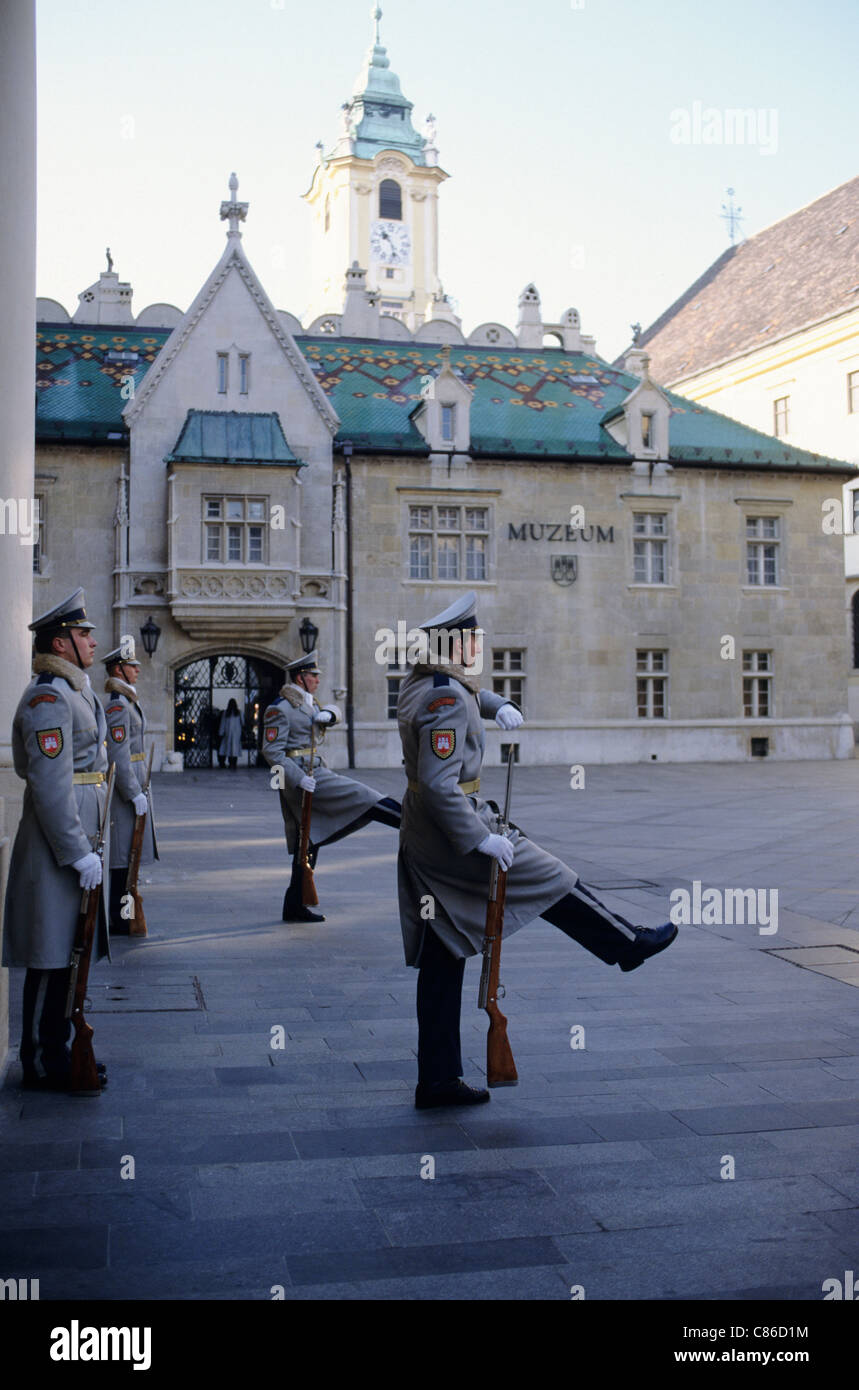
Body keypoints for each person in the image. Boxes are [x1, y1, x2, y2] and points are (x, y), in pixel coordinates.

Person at [397, 591, 678, 1111]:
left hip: (424, 835)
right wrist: (479, 838)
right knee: (551, 875)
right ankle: (625, 944)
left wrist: (496, 702)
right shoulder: (444, 699)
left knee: (442, 955)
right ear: (454, 645)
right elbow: (440, 784)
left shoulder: (424, 683)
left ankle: (437, 1079)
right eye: (473, 639)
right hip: (450, 834)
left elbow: (457, 695)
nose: (479, 646)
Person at [2, 589, 110, 1093]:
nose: (91, 640)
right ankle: (43, 1061)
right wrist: (76, 851)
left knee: (71, 950)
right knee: (50, 954)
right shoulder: (48, 695)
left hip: (79, 834)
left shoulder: (76, 690)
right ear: (60, 643)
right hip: (56, 843)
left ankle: (61, 1048)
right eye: (82, 633)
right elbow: (48, 786)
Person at [262, 651, 401, 923]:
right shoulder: (281, 707)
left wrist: (328, 712)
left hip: (315, 771)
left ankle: (294, 905)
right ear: (300, 677)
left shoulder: (307, 702)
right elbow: (272, 752)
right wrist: (297, 779)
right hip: (303, 777)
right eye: (313, 675)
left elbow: (330, 712)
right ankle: (409, 820)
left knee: (309, 841)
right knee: (364, 797)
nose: (317, 680)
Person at [101, 643, 158, 934]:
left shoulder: (127, 701)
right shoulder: (117, 704)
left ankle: (124, 915)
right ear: (118, 670)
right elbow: (117, 753)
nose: (137, 670)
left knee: (131, 856)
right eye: (132, 666)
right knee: (124, 857)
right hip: (127, 784)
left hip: (135, 778)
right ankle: (121, 918)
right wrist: (132, 791)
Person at [218, 698, 243, 769]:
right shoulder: (238, 713)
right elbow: (243, 723)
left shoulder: (226, 713)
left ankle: (231, 762)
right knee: (233, 748)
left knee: (229, 748)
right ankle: (233, 763)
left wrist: (221, 732)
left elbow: (223, 724)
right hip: (236, 733)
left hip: (228, 733)